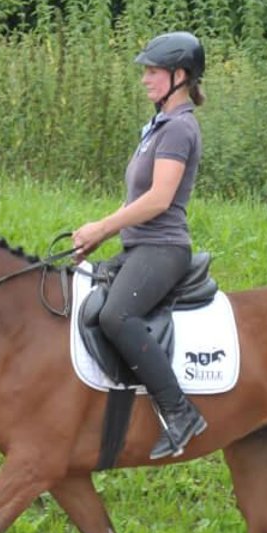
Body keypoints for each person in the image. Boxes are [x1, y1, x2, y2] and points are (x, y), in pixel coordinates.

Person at [72, 31, 208, 460]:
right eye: (146, 71)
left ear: (180, 76)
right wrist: (99, 234)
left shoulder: (179, 129)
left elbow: (159, 199)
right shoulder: (157, 127)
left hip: (162, 248)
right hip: (139, 246)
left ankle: (180, 411)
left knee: (117, 314)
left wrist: (103, 228)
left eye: (153, 71)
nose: (145, 79)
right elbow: (135, 199)